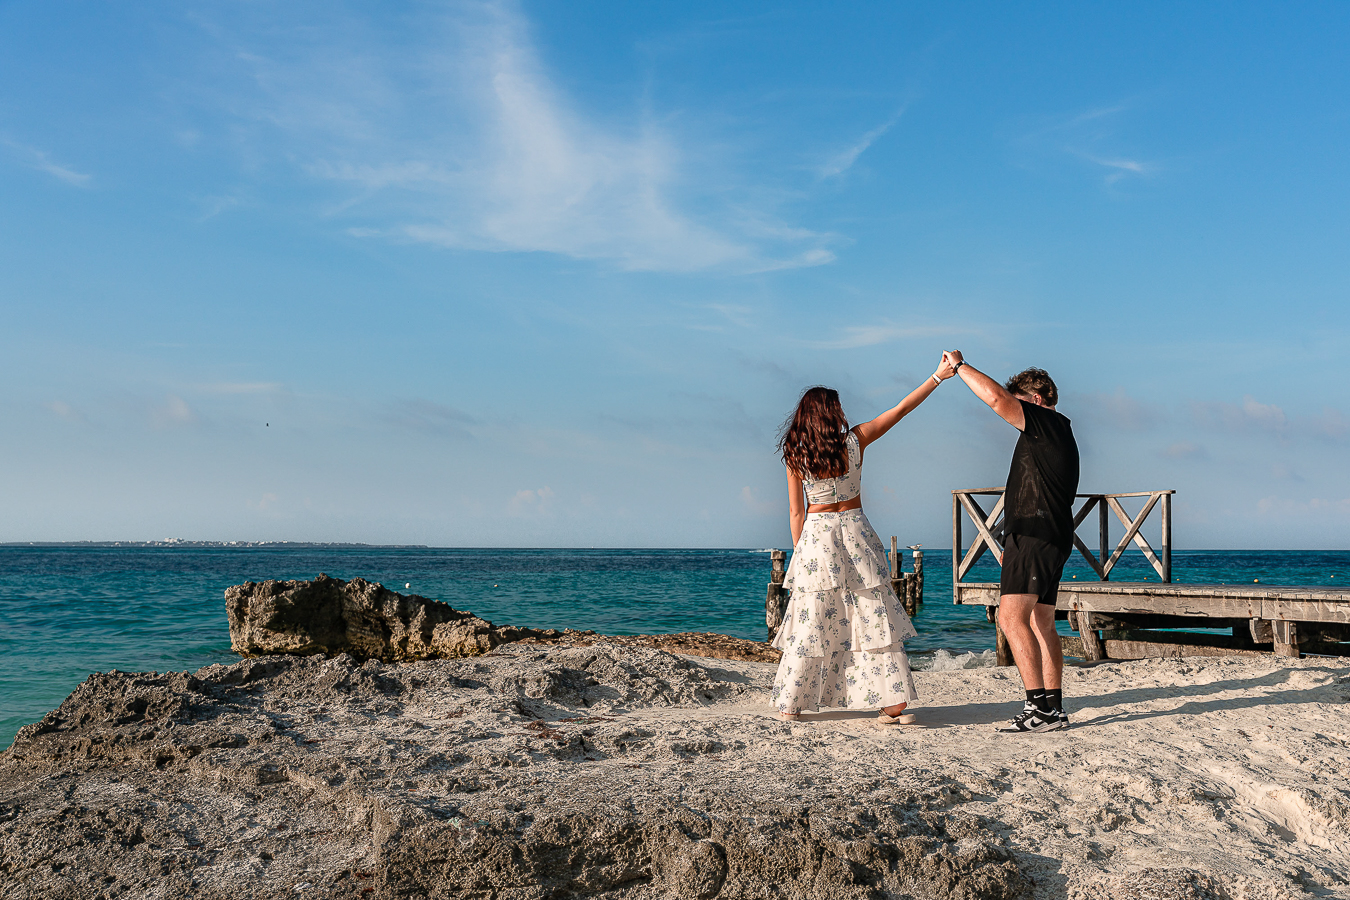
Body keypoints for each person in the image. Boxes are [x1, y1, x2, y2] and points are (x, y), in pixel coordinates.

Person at [772, 355, 956, 724]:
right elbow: (901, 409)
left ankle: (793, 702)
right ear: (832, 413)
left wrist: (801, 552)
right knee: (871, 612)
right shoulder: (855, 440)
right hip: (855, 529)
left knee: (812, 617)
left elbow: (796, 513)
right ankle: (892, 703)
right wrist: (938, 376)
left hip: (817, 535)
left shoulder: (796, 454)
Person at [943, 351, 1079, 733]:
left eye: (1021, 402)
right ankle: (1053, 707)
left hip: (1036, 535)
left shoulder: (1044, 422)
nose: (1014, 412)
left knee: (1010, 617)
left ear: (1034, 400)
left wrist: (959, 367)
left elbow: (996, 400)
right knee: (1042, 621)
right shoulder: (1058, 430)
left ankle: (1039, 710)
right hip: (1048, 535)